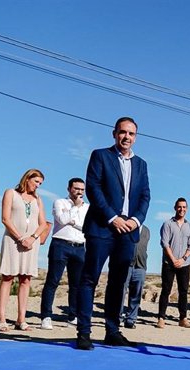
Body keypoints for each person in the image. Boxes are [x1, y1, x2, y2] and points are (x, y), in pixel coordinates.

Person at [76, 116, 151, 350]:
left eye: (131, 134)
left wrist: (136, 220)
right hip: (102, 228)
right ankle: (84, 333)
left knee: (118, 283)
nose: (126, 137)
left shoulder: (141, 164)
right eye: (122, 132)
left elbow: (145, 196)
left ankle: (112, 331)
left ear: (135, 137)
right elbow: (93, 189)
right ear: (114, 133)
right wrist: (113, 217)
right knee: (90, 279)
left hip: (128, 233)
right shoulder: (101, 156)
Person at [0, 169, 48, 332]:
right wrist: (20, 238)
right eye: (36, 182)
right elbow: (5, 218)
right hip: (13, 240)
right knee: (8, 277)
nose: (38, 186)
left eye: (40, 183)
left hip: (31, 244)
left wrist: (32, 238)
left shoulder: (38, 199)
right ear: (27, 179)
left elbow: (43, 224)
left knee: (26, 279)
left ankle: (21, 319)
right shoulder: (10, 193)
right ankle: (1, 318)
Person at [39, 177, 89, 330]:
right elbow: (61, 219)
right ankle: (46, 316)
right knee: (53, 281)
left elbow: (86, 227)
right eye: (76, 188)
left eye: (82, 189)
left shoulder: (88, 208)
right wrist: (74, 208)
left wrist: (73, 221)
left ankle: (72, 316)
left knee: (76, 284)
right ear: (69, 189)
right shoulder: (60, 202)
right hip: (61, 244)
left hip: (80, 246)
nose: (79, 192)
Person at [156, 198, 190, 329]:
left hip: (184, 264)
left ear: (187, 209)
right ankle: (161, 318)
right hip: (169, 263)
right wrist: (173, 259)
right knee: (166, 290)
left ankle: (183, 318)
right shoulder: (167, 224)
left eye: (184, 207)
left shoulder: (189, 226)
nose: (182, 209)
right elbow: (164, 243)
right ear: (175, 208)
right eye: (179, 207)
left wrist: (183, 259)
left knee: (183, 291)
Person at [120, 224, 150, 329]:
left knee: (136, 294)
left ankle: (131, 319)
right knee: (121, 292)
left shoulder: (146, 230)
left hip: (140, 266)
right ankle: (117, 317)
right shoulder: (127, 226)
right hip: (126, 264)